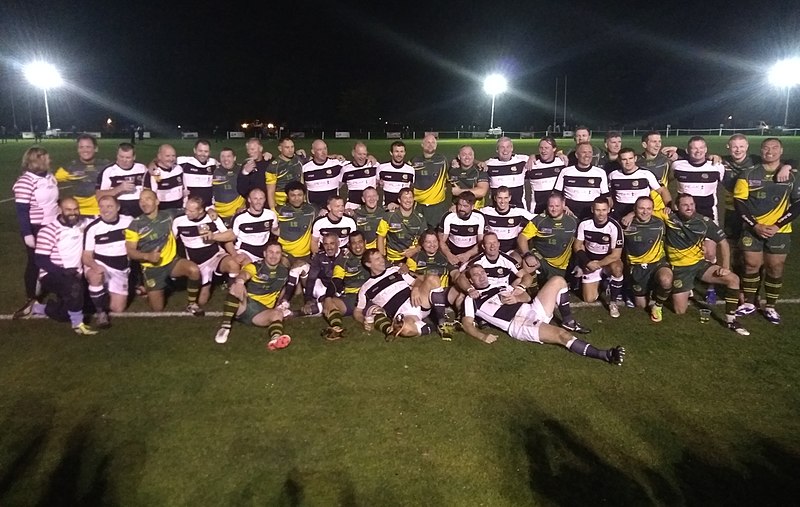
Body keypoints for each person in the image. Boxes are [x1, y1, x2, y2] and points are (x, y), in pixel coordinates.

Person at [460, 266, 624, 365]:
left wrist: (515, 297)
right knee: (562, 335)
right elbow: (467, 323)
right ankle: (605, 355)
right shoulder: (471, 299)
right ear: (471, 281)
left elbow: (527, 297)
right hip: (519, 323)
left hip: (530, 309)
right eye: (476, 275)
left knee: (558, 280)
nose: (481, 276)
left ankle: (568, 320)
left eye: (482, 272)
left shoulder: (500, 285)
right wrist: (482, 336)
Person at [734, 138, 800, 324]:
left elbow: (797, 204)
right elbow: (740, 203)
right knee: (750, 265)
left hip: (779, 231)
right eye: (765, 148)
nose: (769, 151)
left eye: (774, 148)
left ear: (781, 151)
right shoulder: (747, 174)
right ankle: (748, 303)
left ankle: (770, 306)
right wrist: (755, 225)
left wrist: (778, 225)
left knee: (775, 268)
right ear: (760, 151)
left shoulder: (792, 176)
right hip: (752, 228)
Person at [664, 194, 749, 335]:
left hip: (699, 265)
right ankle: (670, 291)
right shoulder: (669, 218)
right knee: (680, 311)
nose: (689, 207)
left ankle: (731, 320)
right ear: (677, 207)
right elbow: (646, 212)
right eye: (685, 205)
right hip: (680, 269)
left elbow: (723, 243)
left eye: (691, 204)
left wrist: (725, 267)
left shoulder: (704, 222)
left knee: (733, 279)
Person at [517, 192, 588, 334]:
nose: (554, 209)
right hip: (540, 260)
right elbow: (522, 238)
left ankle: (566, 320)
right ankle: (530, 300)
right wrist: (527, 254)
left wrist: (580, 264)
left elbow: (580, 245)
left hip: (561, 266)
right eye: (551, 206)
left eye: (557, 206)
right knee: (527, 264)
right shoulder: (540, 220)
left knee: (559, 286)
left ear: (564, 204)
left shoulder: (573, 222)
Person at [23, 198, 96, 334]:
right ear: (60, 210)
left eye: (75, 209)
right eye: (68, 210)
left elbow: (102, 220)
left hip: (76, 273)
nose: (73, 213)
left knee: (71, 311)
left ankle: (39, 308)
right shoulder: (48, 231)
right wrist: (63, 272)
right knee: (74, 287)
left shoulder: (83, 223)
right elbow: (40, 260)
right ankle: (77, 324)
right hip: (52, 274)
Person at [124, 189, 204, 315]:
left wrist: (209, 210)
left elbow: (192, 210)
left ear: (157, 201)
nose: (144, 203)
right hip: (152, 269)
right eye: (141, 200)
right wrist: (147, 256)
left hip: (172, 262)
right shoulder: (135, 225)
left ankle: (191, 303)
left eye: (148, 199)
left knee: (193, 270)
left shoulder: (169, 214)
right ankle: (151, 290)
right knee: (157, 309)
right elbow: (130, 252)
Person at [213, 241, 293, 350]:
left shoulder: (283, 272)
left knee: (277, 314)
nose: (274, 256)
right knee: (235, 287)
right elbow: (244, 274)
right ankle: (225, 326)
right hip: (245, 305)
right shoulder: (256, 266)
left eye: (277, 253)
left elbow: (281, 289)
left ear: (281, 255)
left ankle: (275, 339)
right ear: (264, 254)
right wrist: (240, 281)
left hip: (261, 313)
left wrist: (279, 303)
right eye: (271, 252)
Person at [356, 248, 449, 340]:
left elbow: (416, 281)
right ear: (368, 264)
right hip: (404, 314)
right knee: (406, 330)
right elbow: (357, 311)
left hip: (417, 301)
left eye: (381, 257)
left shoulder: (396, 270)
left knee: (433, 278)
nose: (382, 261)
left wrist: (415, 288)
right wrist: (363, 320)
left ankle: (442, 322)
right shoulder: (366, 288)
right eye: (377, 259)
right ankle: (433, 327)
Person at [12, 146, 60, 319]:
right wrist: (27, 234)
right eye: (46, 158)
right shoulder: (25, 181)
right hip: (36, 227)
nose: (50, 160)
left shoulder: (49, 177)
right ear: (36, 160)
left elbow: (54, 202)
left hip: (53, 225)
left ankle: (52, 289)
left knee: (54, 260)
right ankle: (31, 298)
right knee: (35, 262)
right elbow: (22, 210)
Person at [172, 196, 241, 305]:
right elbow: (171, 241)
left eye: (191, 211)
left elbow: (231, 235)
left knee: (233, 265)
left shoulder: (212, 219)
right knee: (202, 301)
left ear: (200, 210)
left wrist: (213, 236)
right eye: (186, 209)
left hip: (215, 256)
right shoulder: (179, 221)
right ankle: (208, 281)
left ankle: (233, 295)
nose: (187, 213)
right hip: (196, 262)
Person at [83, 196, 133, 328]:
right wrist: (95, 266)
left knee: (118, 308)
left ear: (118, 208)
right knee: (95, 276)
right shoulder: (93, 228)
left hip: (121, 269)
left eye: (109, 206)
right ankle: (101, 313)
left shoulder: (129, 222)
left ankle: (94, 297)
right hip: (101, 264)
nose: (105, 210)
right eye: (102, 207)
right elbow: (86, 256)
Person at [622, 196, 673, 322]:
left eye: (649, 208)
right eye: (641, 208)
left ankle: (658, 305)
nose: (645, 212)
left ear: (653, 209)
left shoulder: (660, 223)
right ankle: (646, 289)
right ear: (635, 209)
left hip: (657, 264)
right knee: (641, 306)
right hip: (637, 267)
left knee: (666, 280)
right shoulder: (625, 224)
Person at [573, 197, 625, 317]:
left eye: (603, 210)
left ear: (609, 210)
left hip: (607, 262)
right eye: (597, 210)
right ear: (592, 209)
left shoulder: (614, 227)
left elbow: (616, 255)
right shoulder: (584, 224)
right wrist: (587, 262)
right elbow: (577, 246)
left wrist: (597, 265)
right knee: (589, 299)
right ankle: (604, 283)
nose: (601, 213)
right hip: (590, 261)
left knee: (617, 269)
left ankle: (613, 302)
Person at [322, 231, 371, 341]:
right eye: (353, 243)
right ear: (349, 245)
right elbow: (336, 280)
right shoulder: (344, 258)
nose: (357, 246)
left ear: (365, 242)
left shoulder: (372, 255)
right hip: (351, 297)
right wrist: (328, 297)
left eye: (360, 242)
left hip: (369, 298)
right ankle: (336, 328)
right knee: (330, 303)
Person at [458, 232, 534, 302]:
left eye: (494, 242)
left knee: (523, 288)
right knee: (461, 296)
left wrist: (521, 287)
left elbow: (526, 275)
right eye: (489, 243)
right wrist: (470, 289)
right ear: (483, 246)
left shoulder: (508, 260)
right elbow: (461, 278)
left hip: (504, 292)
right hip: (483, 294)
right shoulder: (476, 262)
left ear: (498, 244)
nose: (492, 246)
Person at [608, 147, 672, 225]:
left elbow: (662, 190)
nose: (628, 162)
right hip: (619, 212)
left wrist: (668, 206)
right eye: (624, 159)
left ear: (635, 159)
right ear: (619, 160)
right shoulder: (613, 175)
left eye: (630, 158)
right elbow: (609, 195)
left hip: (640, 212)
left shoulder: (646, 174)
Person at [54, 134, 109, 217]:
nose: (85, 150)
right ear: (77, 149)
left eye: (88, 147)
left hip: (101, 212)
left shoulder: (106, 166)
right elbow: (50, 183)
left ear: (96, 148)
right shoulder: (69, 168)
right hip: (77, 213)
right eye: (81, 147)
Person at [554, 142, 611, 221]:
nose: (587, 155)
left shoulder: (600, 173)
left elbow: (606, 197)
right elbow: (556, 195)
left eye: (590, 152)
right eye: (584, 152)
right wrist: (563, 207)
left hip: (592, 215)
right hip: (569, 214)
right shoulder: (566, 171)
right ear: (577, 155)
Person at [96, 143, 148, 218]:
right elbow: (99, 196)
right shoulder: (109, 171)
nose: (124, 160)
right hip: (119, 210)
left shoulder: (142, 168)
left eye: (128, 157)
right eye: (121, 157)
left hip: (140, 208)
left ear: (134, 157)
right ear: (117, 155)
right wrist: (119, 189)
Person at [228, 188, 279, 263]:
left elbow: (275, 231)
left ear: (265, 199)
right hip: (245, 251)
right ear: (249, 200)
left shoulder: (270, 215)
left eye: (261, 198)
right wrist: (234, 254)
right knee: (245, 265)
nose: (258, 202)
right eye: (255, 198)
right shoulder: (240, 218)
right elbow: (229, 239)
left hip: (264, 251)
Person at [376, 187, 427, 263]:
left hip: (413, 257)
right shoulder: (389, 216)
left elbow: (425, 240)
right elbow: (380, 237)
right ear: (399, 200)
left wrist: (415, 250)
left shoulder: (420, 218)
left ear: (413, 200)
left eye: (410, 197)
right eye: (405, 198)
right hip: (393, 258)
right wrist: (382, 258)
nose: (408, 200)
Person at [411, 134, 451, 229]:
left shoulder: (443, 160)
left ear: (436, 145)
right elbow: (400, 168)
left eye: (433, 142)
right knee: (419, 236)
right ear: (422, 144)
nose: (430, 144)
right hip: (418, 206)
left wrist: (478, 162)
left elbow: (463, 163)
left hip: (437, 207)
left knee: (436, 236)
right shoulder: (414, 161)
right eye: (428, 142)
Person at [479, 186, 532, 255]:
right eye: (499, 198)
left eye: (506, 198)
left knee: (518, 261)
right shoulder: (486, 211)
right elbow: (472, 215)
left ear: (510, 198)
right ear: (495, 198)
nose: (502, 201)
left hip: (512, 251)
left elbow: (538, 220)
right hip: (492, 251)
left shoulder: (519, 212)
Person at [276, 181, 318, 262]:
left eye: (299, 195)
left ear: (304, 195)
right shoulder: (279, 210)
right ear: (287, 196)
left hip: (305, 255)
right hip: (284, 255)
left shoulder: (312, 210)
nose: (296, 199)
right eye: (293, 195)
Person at [300, 233, 341, 316]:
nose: (329, 248)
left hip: (339, 288)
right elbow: (311, 278)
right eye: (326, 244)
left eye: (332, 243)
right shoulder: (319, 256)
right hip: (323, 286)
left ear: (338, 243)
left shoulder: (345, 256)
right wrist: (308, 300)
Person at [525, 136, 566, 214]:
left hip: (557, 210)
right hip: (537, 209)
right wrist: (532, 156)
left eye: (546, 148)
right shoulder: (532, 164)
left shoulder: (562, 163)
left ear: (554, 149)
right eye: (541, 148)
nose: (543, 151)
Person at [485, 136, 528, 208]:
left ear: (512, 148)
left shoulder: (523, 160)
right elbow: (474, 166)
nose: (505, 150)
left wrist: (533, 157)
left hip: (519, 210)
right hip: (497, 211)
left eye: (508, 147)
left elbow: (542, 158)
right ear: (497, 150)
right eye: (502, 147)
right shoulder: (489, 164)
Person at [302, 139, 346, 209]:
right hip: (314, 209)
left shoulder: (337, 163)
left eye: (325, 149)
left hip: (333, 209)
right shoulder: (305, 168)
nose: (324, 152)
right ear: (313, 151)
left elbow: (357, 164)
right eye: (320, 150)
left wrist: (369, 158)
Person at [143, 144, 184, 216]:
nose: (171, 159)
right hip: (161, 214)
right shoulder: (152, 172)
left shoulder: (179, 169)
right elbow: (148, 196)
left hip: (179, 211)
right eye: (167, 156)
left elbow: (183, 189)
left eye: (173, 156)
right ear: (159, 156)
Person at [266, 136, 304, 210]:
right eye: (287, 147)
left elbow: (301, 179)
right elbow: (270, 191)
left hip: (298, 202)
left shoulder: (298, 159)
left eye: (292, 147)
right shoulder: (273, 166)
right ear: (280, 149)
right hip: (281, 204)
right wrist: (273, 209)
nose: (290, 150)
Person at [178, 139, 218, 207]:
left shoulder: (213, 163)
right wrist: (153, 164)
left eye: (206, 151)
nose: (203, 154)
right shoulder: (183, 161)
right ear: (194, 150)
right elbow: (163, 161)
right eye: (200, 151)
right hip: (190, 208)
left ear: (209, 152)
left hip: (208, 206)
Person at [211, 147, 245, 226]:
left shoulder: (242, 170)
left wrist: (267, 156)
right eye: (222, 156)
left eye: (228, 156)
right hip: (218, 214)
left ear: (234, 158)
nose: (225, 159)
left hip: (237, 212)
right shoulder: (213, 170)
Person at [341, 142, 379, 210]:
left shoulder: (374, 165)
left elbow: (381, 180)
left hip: (370, 207)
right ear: (353, 153)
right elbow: (338, 185)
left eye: (364, 154)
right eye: (359, 154)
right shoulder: (345, 169)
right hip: (353, 207)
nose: (362, 157)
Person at [377, 141, 415, 208]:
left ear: (404, 153)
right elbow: (377, 184)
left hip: (403, 208)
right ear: (391, 153)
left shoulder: (410, 170)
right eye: (396, 151)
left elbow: (411, 188)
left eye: (401, 151)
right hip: (387, 206)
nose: (399, 154)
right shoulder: (382, 168)